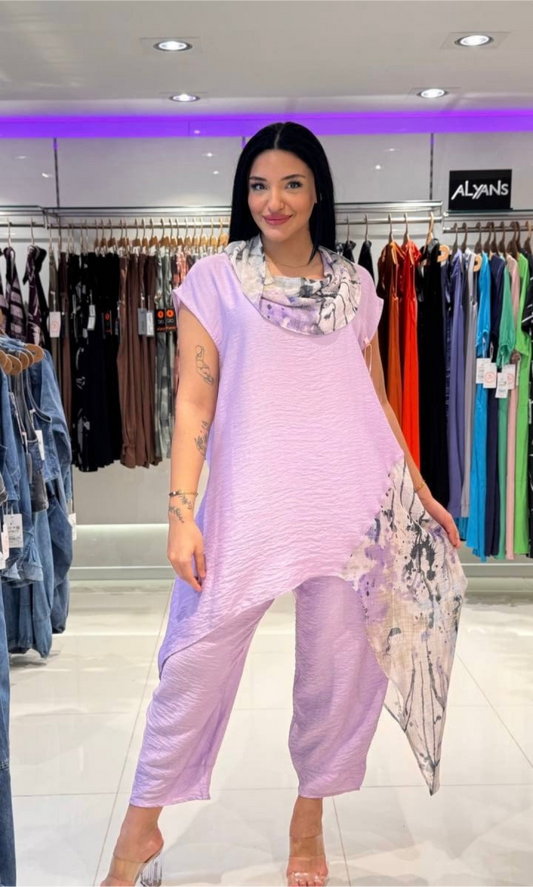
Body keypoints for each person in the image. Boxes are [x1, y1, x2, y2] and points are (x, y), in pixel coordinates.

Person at [101, 121, 467, 887]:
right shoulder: (215, 280)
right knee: (193, 663)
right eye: (258, 185)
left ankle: (308, 821)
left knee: (340, 671)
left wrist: (420, 489)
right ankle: (140, 828)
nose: (273, 200)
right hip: (250, 504)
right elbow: (193, 401)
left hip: (353, 504)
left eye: (291, 183)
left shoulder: (356, 286)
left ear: (318, 191)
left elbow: (375, 398)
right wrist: (180, 512)